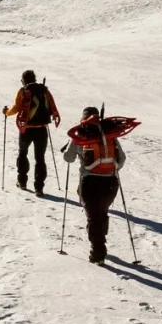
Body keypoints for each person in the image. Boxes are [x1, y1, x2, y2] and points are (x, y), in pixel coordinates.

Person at [62, 106, 126, 265]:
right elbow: (122, 159)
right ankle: (100, 238)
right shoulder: (110, 135)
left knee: (93, 216)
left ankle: (98, 251)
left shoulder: (81, 135)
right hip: (111, 182)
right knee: (101, 212)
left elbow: (68, 158)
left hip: (89, 182)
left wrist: (69, 148)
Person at [3, 70, 60, 197]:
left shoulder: (23, 91)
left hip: (26, 129)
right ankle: (39, 188)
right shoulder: (44, 90)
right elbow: (52, 107)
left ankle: (22, 181)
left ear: (23, 80)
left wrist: (6, 112)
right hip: (41, 129)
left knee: (22, 153)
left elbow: (16, 108)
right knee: (40, 158)